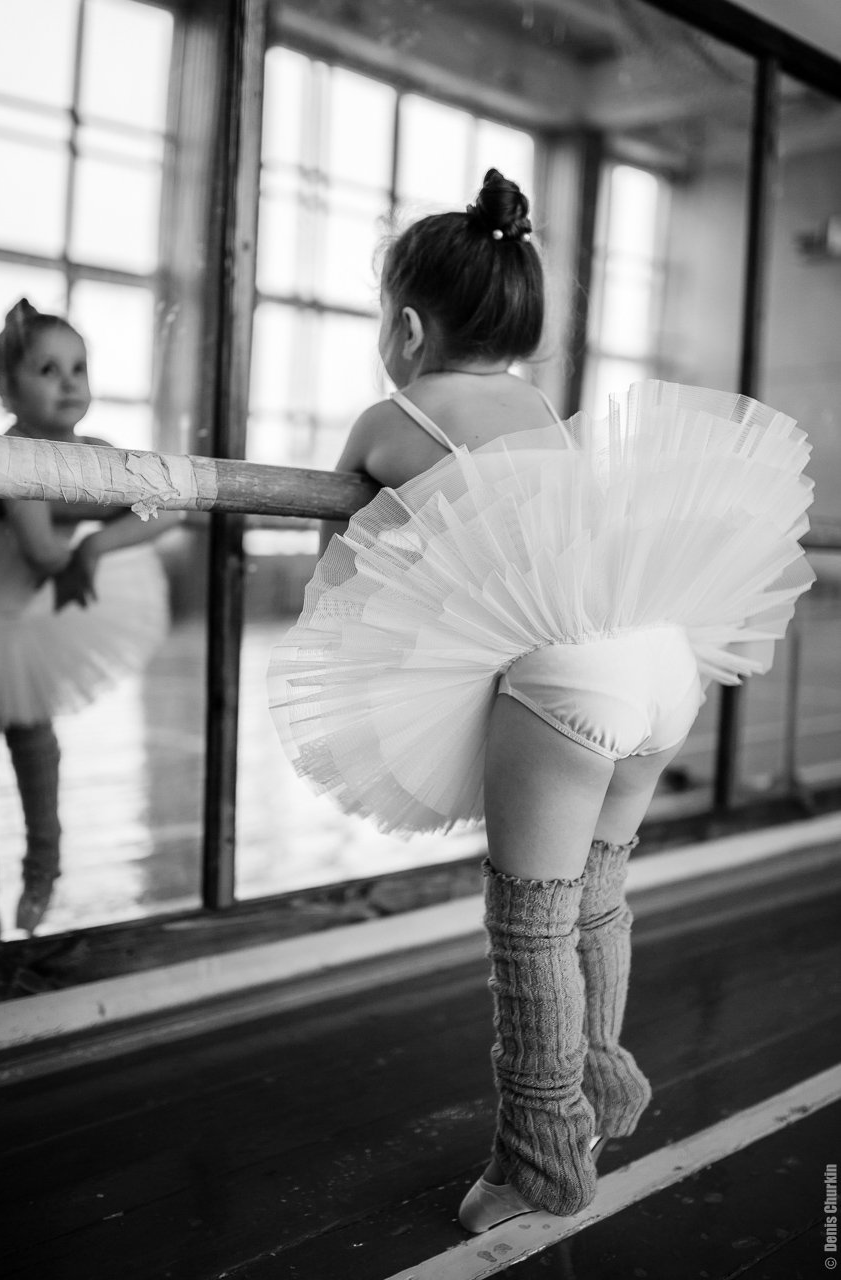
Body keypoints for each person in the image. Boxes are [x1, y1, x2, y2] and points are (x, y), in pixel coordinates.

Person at [268, 170, 814, 1231]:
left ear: (406, 328)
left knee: (528, 922)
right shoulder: (540, 413)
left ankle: (541, 1158)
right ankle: (598, 1082)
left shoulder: (392, 414)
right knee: (596, 894)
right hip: (662, 655)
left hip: (567, 682)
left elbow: (336, 561)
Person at [0, 299, 178, 943]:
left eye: (79, 368)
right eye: (48, 370)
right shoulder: (12, 454)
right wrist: (87, 523)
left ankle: (43, 869)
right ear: (8, 389)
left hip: (26, 624)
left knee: (37, 748)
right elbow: (42, 553)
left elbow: (169, 506)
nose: (69, 383)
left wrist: (99, 543)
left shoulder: (95, 453)